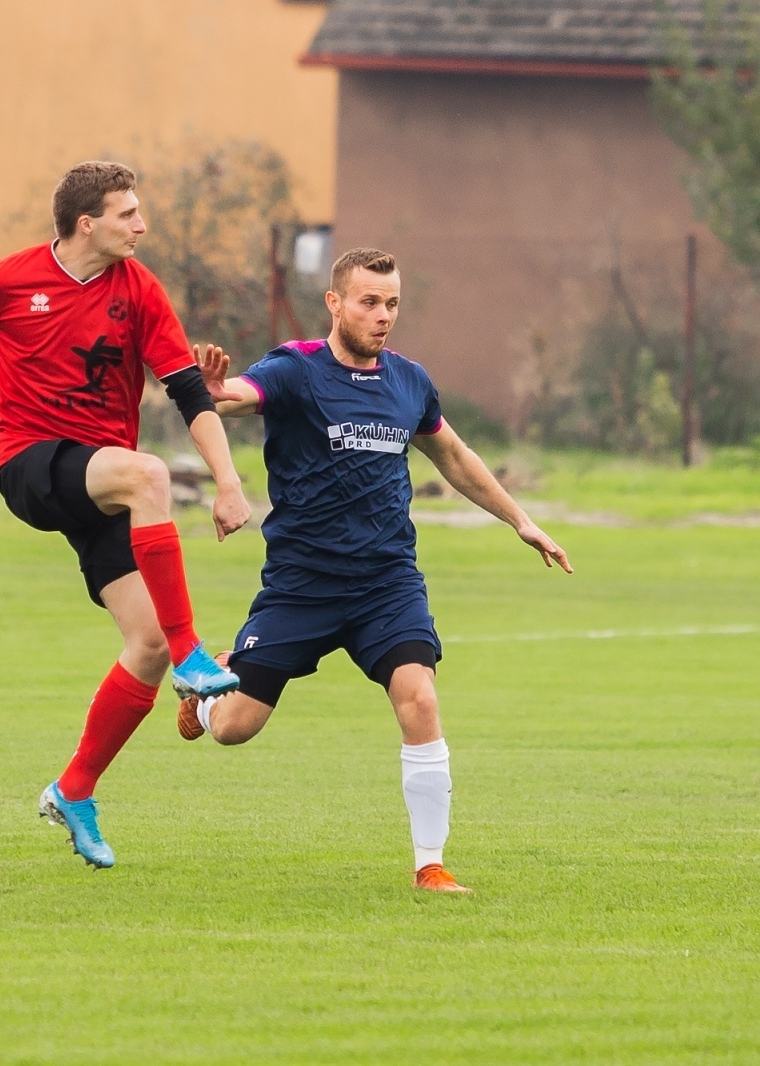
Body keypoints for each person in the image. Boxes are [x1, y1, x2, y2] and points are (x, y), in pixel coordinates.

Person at [178, 247, 572, 893]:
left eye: (392, 304)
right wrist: (214, 394)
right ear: (334, 303)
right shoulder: (295, 369)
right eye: (369, 302)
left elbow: (453, 454)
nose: (383, 315)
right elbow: (239, 395)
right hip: (302, 586)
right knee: (234, 730)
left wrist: (519, 520)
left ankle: (430, 865)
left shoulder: (410, 381)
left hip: (386, 583)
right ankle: (210, 687)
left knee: (420, 697)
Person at [0, 160, 250, 871]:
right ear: (86, 223)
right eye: (129, 214)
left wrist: (228, 482)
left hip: (100, 483)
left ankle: (75, 790)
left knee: (146, 642)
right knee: (147, 473)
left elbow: (190, 393)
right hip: (30, 463)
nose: (142, 225)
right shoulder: (6, 280)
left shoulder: (140, 289)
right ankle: (194, 655)